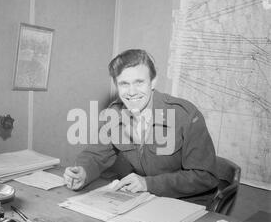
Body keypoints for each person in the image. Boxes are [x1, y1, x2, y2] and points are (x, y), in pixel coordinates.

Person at [64, 49, 219, 203]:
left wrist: (148, 183)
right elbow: (96, 155)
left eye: (139, 82)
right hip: (145, 200)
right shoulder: (115, 114)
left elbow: (205, 176)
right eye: (124, 84)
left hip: (188, 203)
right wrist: (83, 172)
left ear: (153, 82)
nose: (132, 92)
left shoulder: (185, 114)